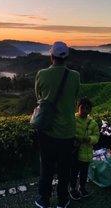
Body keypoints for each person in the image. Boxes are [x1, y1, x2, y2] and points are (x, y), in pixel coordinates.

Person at [34, 41, 81, 208]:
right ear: (67, 57)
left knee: (47, 166)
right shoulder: (75, 76)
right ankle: (63, 200)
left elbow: (39, 98)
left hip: (47, 130)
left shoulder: (41, 74)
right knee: (64, 168)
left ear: (51, 56)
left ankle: (44, 199)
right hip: (67, 130)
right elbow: (75, 97)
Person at [69, 97, 99, 201]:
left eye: (88, 108)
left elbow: (96, 137)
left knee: (84, 172)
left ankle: (82, 187)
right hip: (75, 153)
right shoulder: (72, 119)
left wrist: (89, 139)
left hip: (86, 153)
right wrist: (74, 139)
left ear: (90, 109)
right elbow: (67, 133)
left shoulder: (93, 123)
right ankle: (72, 188)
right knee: (73, 172)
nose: (85, 110)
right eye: (83, 108)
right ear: (77, 107)